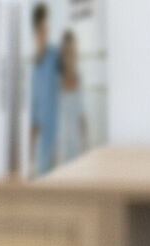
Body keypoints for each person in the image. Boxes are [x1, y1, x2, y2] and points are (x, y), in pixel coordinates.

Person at [28, 3, 60, 178]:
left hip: (56, 135)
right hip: (41, 139)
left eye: (47, 27)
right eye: (41, 28)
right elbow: (33, 111)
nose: (45, 31)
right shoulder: (33, 67)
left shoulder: (55, 55)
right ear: (35, 32)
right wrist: (30, 159)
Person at [56, 28, 87, 165]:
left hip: (78, 149)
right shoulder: (55, 82)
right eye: (68, 53)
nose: (71, 58)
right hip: (60, 152)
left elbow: (82, 116)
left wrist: (86, 147)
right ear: (62, 55)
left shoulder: (80, 80)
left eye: (74, 53)